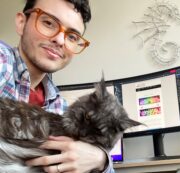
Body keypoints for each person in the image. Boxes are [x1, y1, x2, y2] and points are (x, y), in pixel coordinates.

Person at [0, 0, 115, 172]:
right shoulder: (3, 61)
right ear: (21, 23)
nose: (60, 40)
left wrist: (100, 159)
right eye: (48, 23)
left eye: (72, 37)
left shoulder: (59, 105)